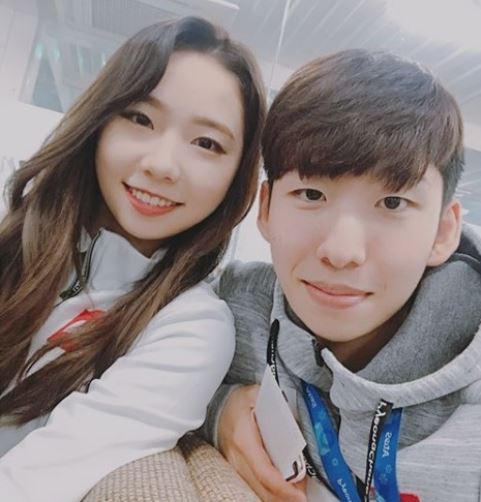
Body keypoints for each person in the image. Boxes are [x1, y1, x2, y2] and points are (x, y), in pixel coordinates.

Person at [0, 16, 266, 502]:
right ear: (99, 121)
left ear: (237, 175)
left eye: (207, 143)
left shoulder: (190, 328)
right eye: (141, 118)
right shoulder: (13, 235)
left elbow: (31, 481)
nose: (161, 165)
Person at [203, 49, 481, 502]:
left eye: (392, 203)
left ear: (443, 231)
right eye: (311, 194)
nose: (340, 251)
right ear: (266, 208)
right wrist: (220, 411)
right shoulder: (230, 308)